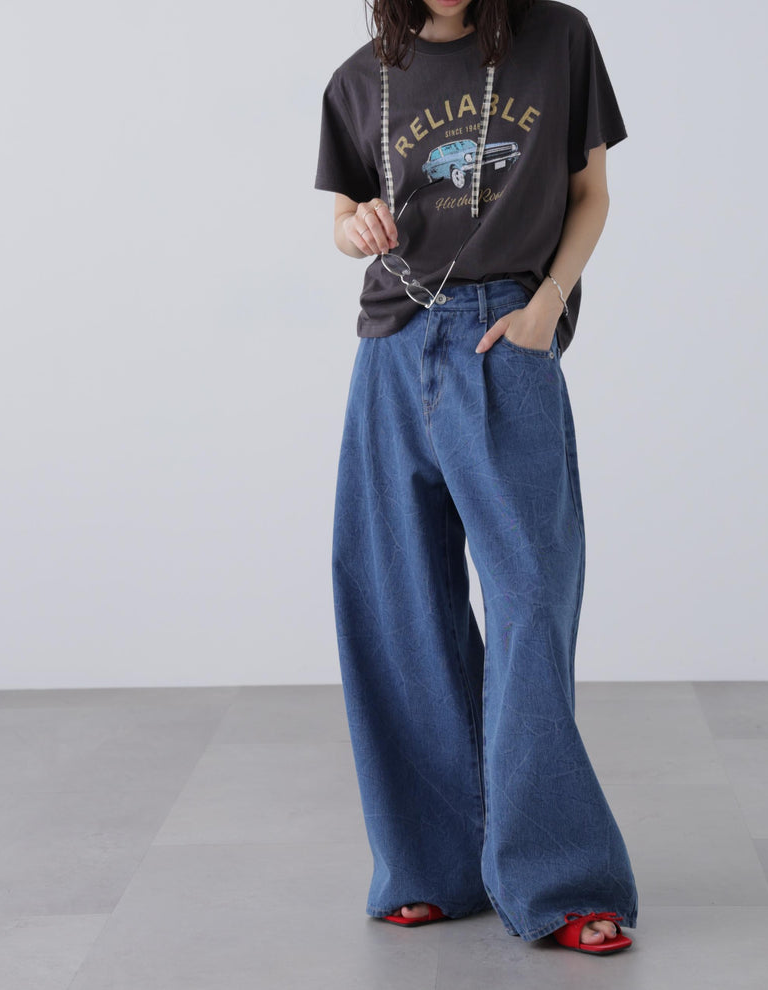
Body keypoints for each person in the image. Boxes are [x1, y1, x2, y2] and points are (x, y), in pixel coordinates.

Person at [314, 0, 638, 955]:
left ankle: (559, 877)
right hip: (391, 349)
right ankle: (428, 864)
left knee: (532, 601)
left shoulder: (558, 39)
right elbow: (340, 217)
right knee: (398, 604)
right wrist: (355, 226)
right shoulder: (357, 80)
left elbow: (591, 194)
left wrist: (547, 307)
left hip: (505, 338)